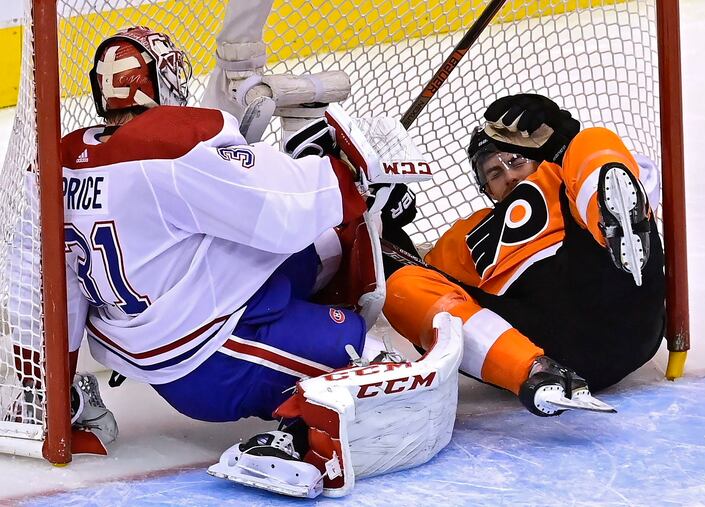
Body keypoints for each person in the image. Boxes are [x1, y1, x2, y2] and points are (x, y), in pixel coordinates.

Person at [56, 26, 461, 498]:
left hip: (155, 326)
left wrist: (54, 386)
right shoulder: (171, 141)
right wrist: (351, 174)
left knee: (319, 248)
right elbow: (275, 212)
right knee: (349, 340)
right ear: (156, 82)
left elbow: (47, 284)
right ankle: (295, 425)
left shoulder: (60, 158)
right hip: (206, 358)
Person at [382, 94, 666, 416]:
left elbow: (643, 176)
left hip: (614, 288)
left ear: (535, 159)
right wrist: (382, 222)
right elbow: (419, 273)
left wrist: (563, 145)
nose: (509, 176)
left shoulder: (558, 176)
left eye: (516, 161)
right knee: (399, 288)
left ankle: (616, 226)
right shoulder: (463, 235)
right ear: (486, 189)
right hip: (540, 337)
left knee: (590, 140)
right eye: (493, 173)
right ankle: (533, 372)